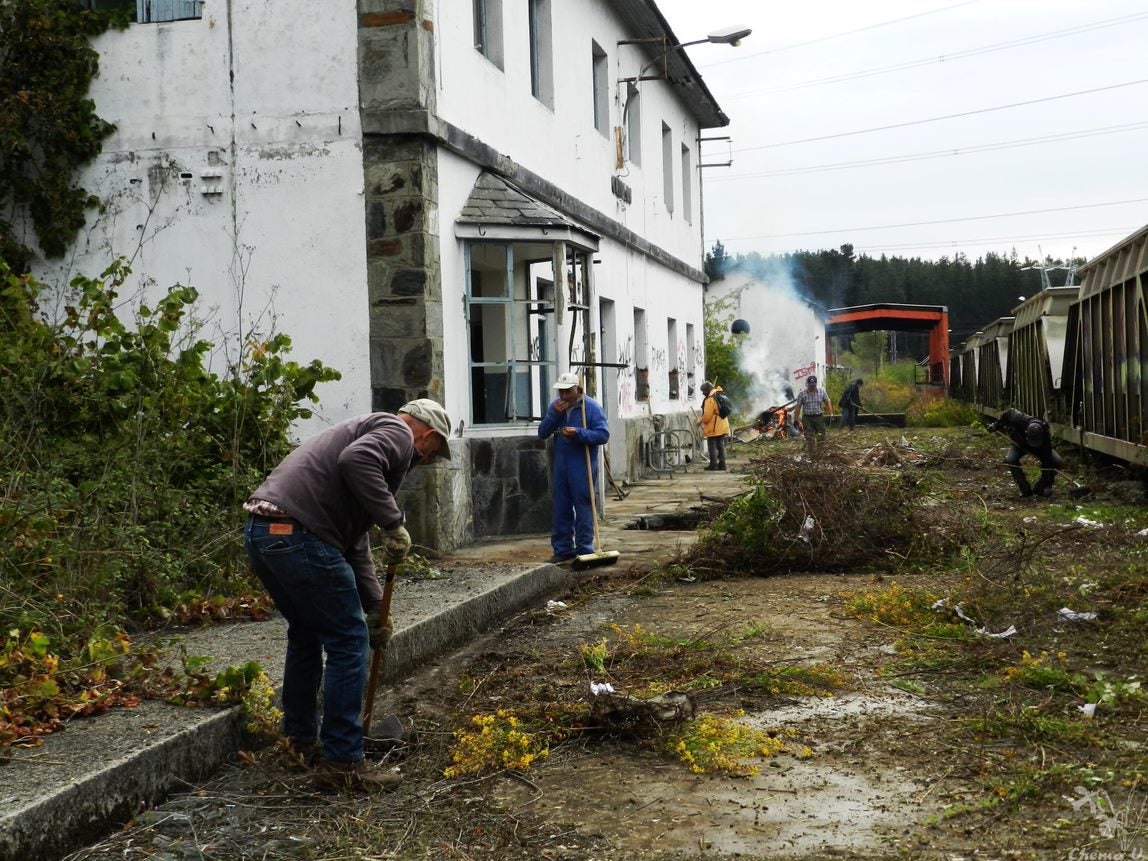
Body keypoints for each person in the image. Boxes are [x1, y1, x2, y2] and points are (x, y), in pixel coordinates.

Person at [243, 399, 452, 791]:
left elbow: (353, 540)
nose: (424, 461)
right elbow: (356, 461)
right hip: (300, 533)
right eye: (432, 453)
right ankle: (342, 761)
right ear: (428, 435)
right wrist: (393, 522)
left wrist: (374, 607)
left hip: (264, 533)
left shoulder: (366, 437)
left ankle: (300, 741)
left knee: (306, 634)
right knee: (347, 640)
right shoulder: (396, 432)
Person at [538, 372, 609, 564]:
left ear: (577, 390)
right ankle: (562, 549)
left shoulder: (591, 408)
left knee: (584, 504)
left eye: (567, 392)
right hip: (561, 463)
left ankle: (585, 548)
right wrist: (553, 414)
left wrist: (578, 434)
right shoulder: (556, 408)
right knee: (561, 506)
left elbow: (603, 435)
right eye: (561, 392)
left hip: (582, 463)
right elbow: (542, 433)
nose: (563, 397)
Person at [987, 408, 1064, 498]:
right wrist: (996, 425)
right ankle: (1024, 489)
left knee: (1057, 461)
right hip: (1020, 444)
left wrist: (1044, 484)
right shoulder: (1020, 419)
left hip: (1040, 448)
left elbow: (1047, 462)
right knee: (1011, 459)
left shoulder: (1045, 435)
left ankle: (1041, 487)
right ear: (1026, 431)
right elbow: (1008, 413)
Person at [795, 375, 832, 459]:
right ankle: (812, 456)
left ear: (816, 384)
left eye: (813, 385)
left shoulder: (822, 392)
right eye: (810, 385)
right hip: (807, 418)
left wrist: (831, 414)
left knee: (821, 436)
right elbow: (798, 407)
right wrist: (795, 419)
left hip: (819, 417)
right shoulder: (802, 394)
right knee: (809, 437)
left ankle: (821, 454)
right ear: (807, 384)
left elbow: (827, 402)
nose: (812, 387)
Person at [697, 380, 731, 470]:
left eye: (703, 391)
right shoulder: (719, 394)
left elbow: (707, 415)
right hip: (723, 423)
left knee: (712, 445)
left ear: (706, 390)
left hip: (714, 425)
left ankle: (713, 464)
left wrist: (700, 421)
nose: (703, 393)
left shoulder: (710, 399)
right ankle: (722, 464)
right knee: (721, 445)